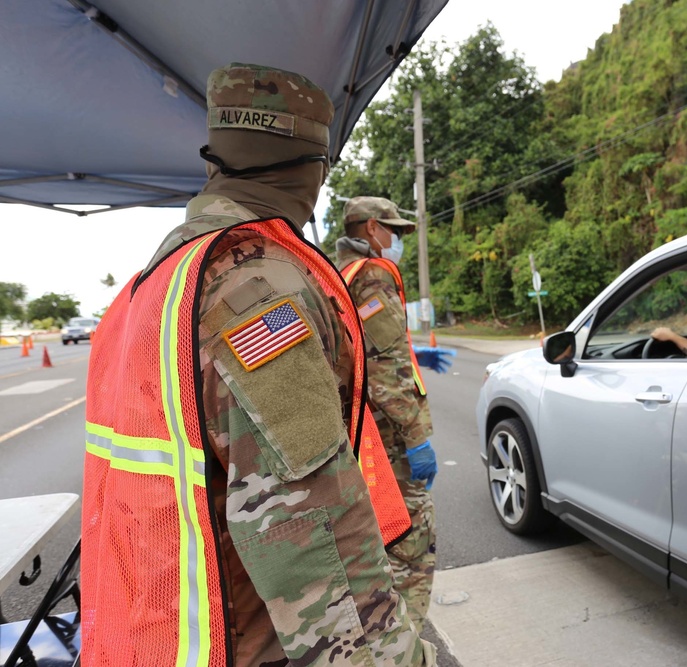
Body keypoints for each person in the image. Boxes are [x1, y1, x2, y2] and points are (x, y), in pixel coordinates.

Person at [82, 63, 435, 667]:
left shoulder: (153, 283)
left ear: (214, 159)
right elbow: (310, 532)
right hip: (234, 634)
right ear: (312, 169)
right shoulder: (253, 287)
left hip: (141, 629)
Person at [334, 197, 454, 632]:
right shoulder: (371, 278)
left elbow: (365, 349)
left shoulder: (339, 272)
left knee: (380, 535)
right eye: (394, 231)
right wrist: (416, 436)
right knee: (412, 542)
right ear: (370, 228)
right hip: (388, 439)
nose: (398, 240)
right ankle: (408, 643)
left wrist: (410, 350)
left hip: (361, 435)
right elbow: (385, 372)